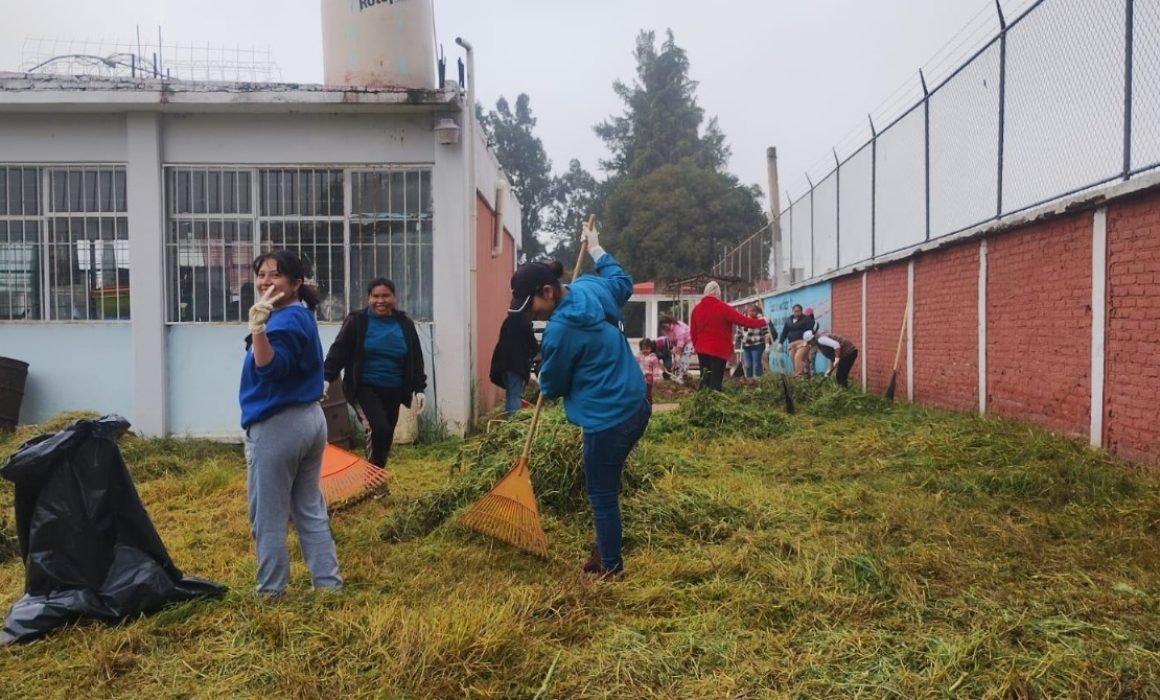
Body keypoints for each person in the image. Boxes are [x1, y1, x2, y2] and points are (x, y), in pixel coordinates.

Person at [513, 222, 649, 577]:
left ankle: (610, 567)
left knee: (601, 494)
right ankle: (606, 545)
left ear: (548, 290)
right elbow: (622, 283)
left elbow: (553, 386)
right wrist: (597, 250)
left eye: (532, 306)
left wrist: (541, 374)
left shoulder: (559, 330)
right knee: (608, 484)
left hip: (608, 419)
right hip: (637, 404)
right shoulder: (590, 286)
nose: (532, 314)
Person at [239, 250, 341, 597]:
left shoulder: (280, 322)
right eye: (262, 274)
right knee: (309, 509)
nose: (266, 281)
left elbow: (269, 368)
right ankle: (328, 587)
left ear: (296, 283)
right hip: (310, 420)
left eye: (275, 275)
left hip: (279, 425)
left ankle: (271, 593)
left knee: (268, 517)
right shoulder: (299, 314)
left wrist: (258, 330)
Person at [323, 278, 427, 469]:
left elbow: (416, 357)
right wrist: (326, 377)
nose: (381, 300)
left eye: (386, 296)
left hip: (394, 388)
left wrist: (419, 388)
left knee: (386, 434)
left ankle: (376, 478)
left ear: (394, 298)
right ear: (368, 299)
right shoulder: (357, 321)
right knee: (378, 428)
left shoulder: (404, 323)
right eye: (375, 296)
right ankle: (373, 479)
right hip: (364, 387)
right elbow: (339, 350)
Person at [689, 281, 767, 391]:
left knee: (704, 378)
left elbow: (693, 331)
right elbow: (743, 321)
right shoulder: (723, 308)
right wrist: (762, 322)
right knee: (715, 380)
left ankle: (702, 401)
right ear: (718, 293)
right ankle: (714, 403)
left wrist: (696, 345)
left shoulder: (696, 309)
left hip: (702, 349)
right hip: (719, 349)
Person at [488, 309, 539, 417]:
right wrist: (535, 351)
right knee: (515, 394)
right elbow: (532, 344)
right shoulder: (524, 322)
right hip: (514, 365)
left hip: (502, 363)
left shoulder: (509, 320)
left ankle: (508, 420)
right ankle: (513, 422)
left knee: (510, 394)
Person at [734, 304, 771, 379]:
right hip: (746, 346)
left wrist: (767, 345)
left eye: (755, 310)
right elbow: (738, 333)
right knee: (748, 365)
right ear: (747, 312)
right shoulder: (743, 320)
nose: (753, 312)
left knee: (757, 365)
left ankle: (759, 380)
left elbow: (766, 334)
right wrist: (735, 341)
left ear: (757, 311)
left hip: (757, 345)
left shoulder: (761, 321)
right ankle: (749, 381)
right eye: (751, 310)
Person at [777, 304, 814, 376]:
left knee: (798, 358)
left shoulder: (806, 319)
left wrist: (808, 341)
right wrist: (780, 343)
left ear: (801, 311)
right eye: (795, 311)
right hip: (792, 344)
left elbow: (811, 331)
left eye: (798, 311)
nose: (797, 313)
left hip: (803, 343)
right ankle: (804, 375)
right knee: (794, 360)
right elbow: (784, 332)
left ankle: (798, 376)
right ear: (792, 311)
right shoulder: (788, 320)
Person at [659, 315, 692, 383]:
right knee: (676, 360)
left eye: (665, 326)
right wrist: (674, 350)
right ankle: (678, 374)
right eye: (663, 327)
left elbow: (680, 340)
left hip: (688, 341)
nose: (664, 329)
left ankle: (682, 375)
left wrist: (678, 353)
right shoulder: (666, 330)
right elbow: (672, 340)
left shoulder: (677, 326)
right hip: (679, 343)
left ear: (669, 322)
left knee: (685, 357)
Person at [636, 338, 663, 404]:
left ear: (651, 348)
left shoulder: (653, 358)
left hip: (648, 380)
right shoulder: (637, 357)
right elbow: (634, 366)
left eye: (647, 348)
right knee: (639, 394)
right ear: (640, 349)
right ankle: (640, 407)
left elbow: (656, 369)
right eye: (643, 348)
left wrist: (656, 378)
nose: (645, 350)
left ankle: (649, 407)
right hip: (639, 379)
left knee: (648, 394)